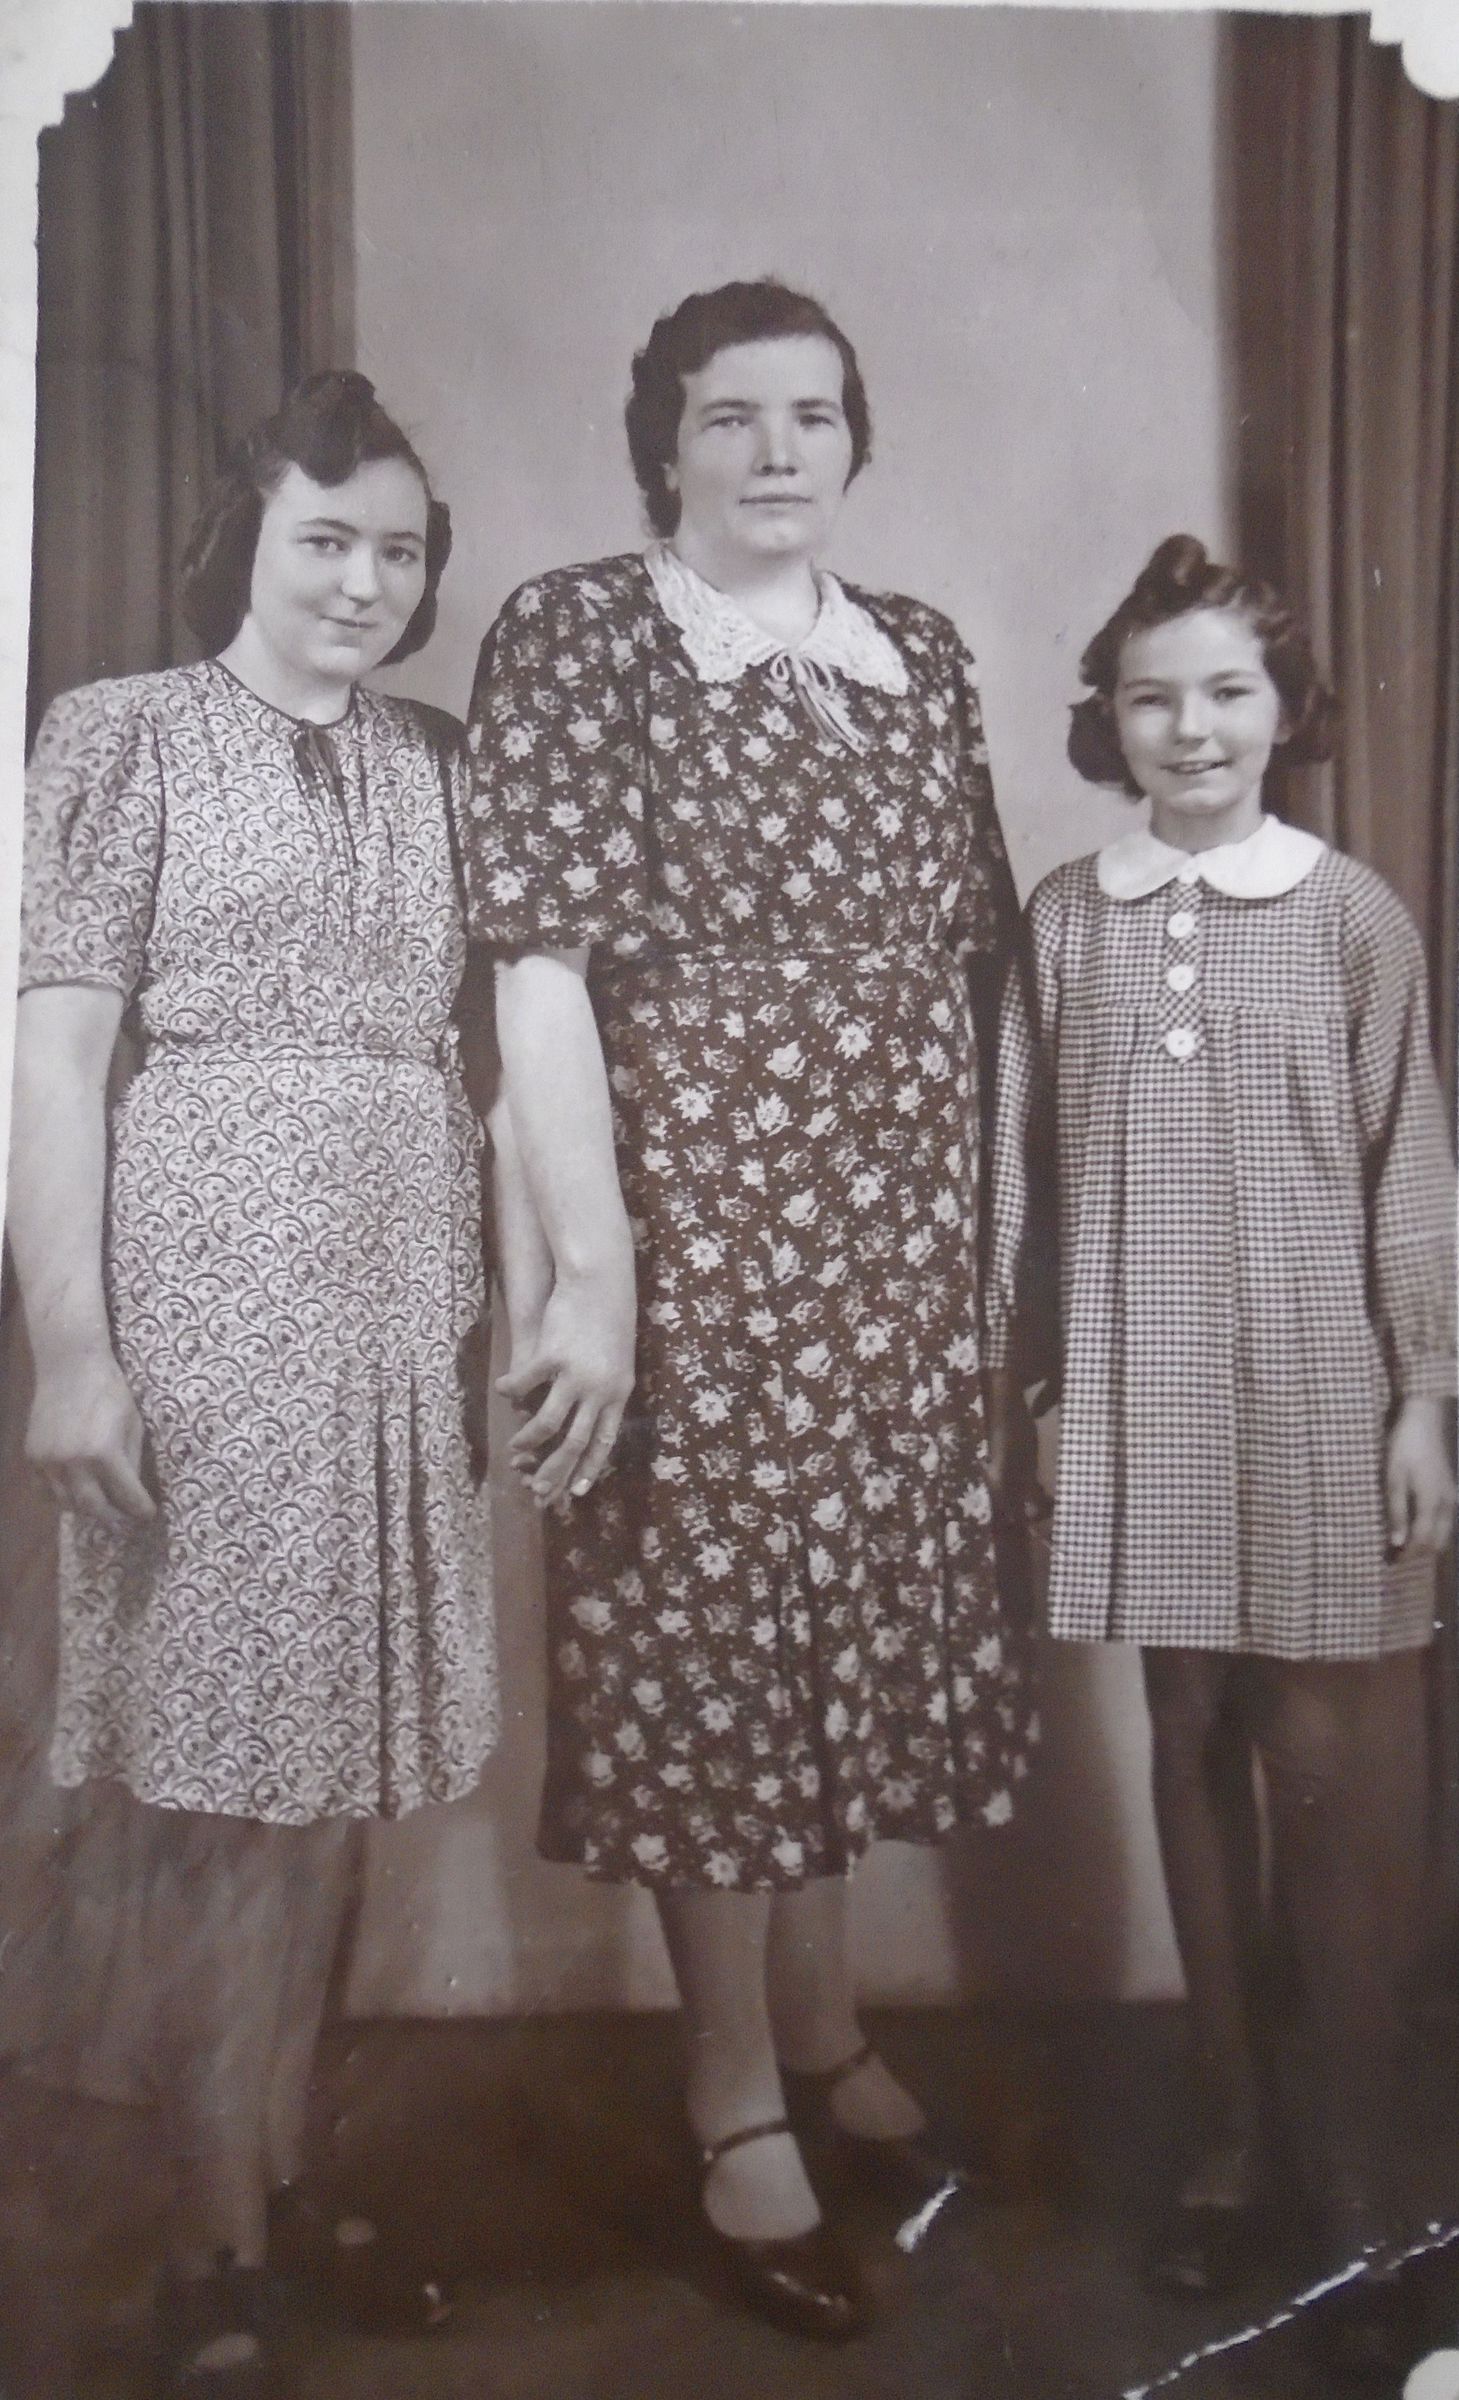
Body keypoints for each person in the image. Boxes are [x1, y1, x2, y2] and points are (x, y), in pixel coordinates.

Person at [465, 278, 1035, 2341]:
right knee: (710, 1649)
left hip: (890, 1239)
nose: (775, 452)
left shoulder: (920, 656)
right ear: (663, 447)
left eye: (810, 414)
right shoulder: (581, 634)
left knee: (842, 1623)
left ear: (855, 440)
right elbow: (537, 971)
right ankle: (729, 2101)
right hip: (689, 1230)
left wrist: (981, 1275)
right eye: (729, 417)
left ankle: (819, 2020)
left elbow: (973, 972)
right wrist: (593, 1276)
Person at [6, 370, 498, 2396]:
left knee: (338, 1774)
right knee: (221, 1782)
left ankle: (286, 2179)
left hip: (403, 1291)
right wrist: (71, 1350)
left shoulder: (443, 760)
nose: (365, 583)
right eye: (327, 539)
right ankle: (210, 2237)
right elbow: (55, 1060)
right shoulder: (118, 735)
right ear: (248, 538)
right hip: (209, 1294)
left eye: (399, 552)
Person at [986, 535, 1456, 2357]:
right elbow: (1017, 1178)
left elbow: (1411, 1166)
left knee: (1332, 1787)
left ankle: (1363, 2189)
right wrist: (1029, 1393)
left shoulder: (1352, 915)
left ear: (1285, 709)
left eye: (1228, 693)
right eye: (1153, 697)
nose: (1192, 729)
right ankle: (1234, 2146)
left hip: (1326, 1401)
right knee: (1189, 1746)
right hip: (1139, 1395)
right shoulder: (1064, 919)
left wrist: (1426, 1395)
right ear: (1110, 720)